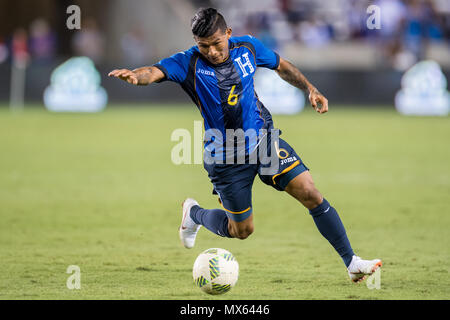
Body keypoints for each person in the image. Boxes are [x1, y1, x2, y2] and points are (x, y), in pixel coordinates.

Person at [109, 8, 382, 283]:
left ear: (228, 33)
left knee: (310, 192)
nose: (212, 52)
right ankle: (194, 214)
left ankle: (352, 262)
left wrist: (309, 88)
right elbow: (154, 71)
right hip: (225, 157)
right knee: (241, 230)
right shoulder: (187, 63)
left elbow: (281, 65)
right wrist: (136, 76)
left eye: (217, 43)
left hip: (264, 141)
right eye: (204, 46)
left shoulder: (248, 47)